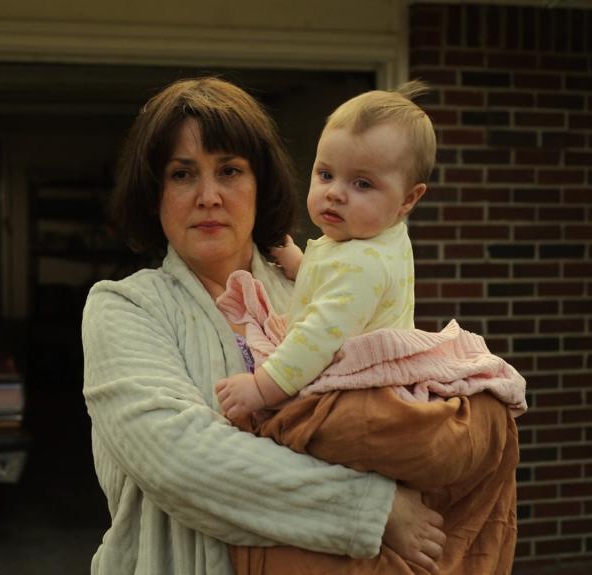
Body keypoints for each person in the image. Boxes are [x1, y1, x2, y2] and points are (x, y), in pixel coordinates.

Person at [82, 76, 447, 575]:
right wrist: (372, 507)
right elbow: (179, 461)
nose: (209, 195)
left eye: (229, 170)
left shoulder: (316, 290)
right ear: (154, 192)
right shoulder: (124, 308)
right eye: (182, 174)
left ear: (261, 184)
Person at [214, 82, 432, 421]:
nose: (335, 193)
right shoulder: (378, 238)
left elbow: (317, 338)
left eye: (362, 183)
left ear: (408, 199)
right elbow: (342, 287)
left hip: (358, 397)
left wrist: (261, 388)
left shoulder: (364, 264)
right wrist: (301, 264)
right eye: (326, 174)